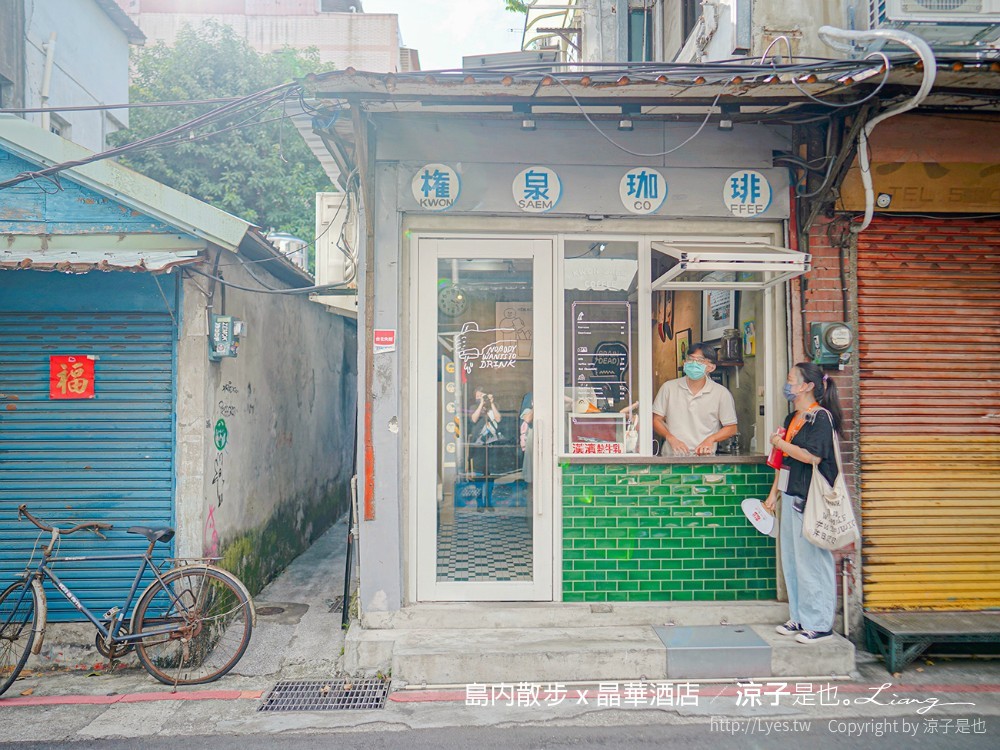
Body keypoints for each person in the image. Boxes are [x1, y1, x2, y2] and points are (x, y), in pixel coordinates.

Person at [763, 362, 844, 644]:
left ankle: (820, 623)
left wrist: (779, 443)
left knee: (813, 561)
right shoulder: (792, 418)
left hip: (811, 498)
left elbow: (813, 457)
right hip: (790, 493)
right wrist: (774, 493)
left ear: (807, 386)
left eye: (791, 380)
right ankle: (799, 616)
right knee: (793, 561)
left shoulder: (820, 418)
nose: (788, 385)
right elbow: (783, 463)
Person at [652, 343, 737, 456]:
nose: (694, 363)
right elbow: (656, 420)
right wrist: (670, 438)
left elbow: (731, 428)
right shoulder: (669, 388)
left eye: (700, 360)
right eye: (690, 359)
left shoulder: (721, 393)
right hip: (671, 457)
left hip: (704, 458)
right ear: (684, 362)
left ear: (711, 367)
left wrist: (710, 440)